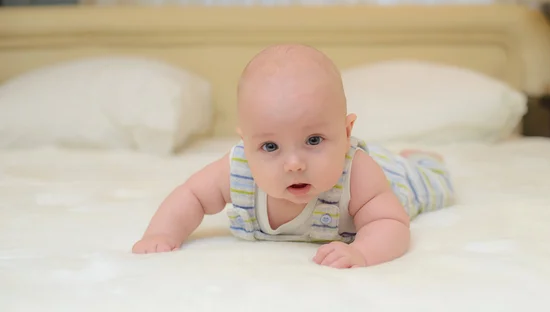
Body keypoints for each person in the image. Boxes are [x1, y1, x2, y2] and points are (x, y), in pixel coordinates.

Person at [132, 44, 455, 268]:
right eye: (270, 147)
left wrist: (362, 252)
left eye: (313, 140)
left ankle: (424, 160)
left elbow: (391, 222)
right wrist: (161, 233)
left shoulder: (359, 173)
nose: (294, 163)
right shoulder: (238, 169)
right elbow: (190, 196)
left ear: (346, 133)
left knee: (434, 186)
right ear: (245, 142)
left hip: (395, 180)